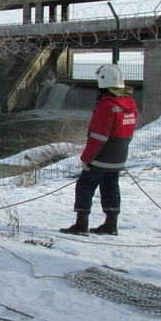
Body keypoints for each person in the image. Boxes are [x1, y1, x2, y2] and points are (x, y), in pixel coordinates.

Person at [60, 63, 138, 236]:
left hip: (101, 157)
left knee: (84, 186)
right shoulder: (129, 103)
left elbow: (98, 137)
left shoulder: (107, 106)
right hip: (118, 157)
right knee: (111, 187)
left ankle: (81, 225)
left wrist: (86, 158)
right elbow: (128, 132)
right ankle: (111, 224)